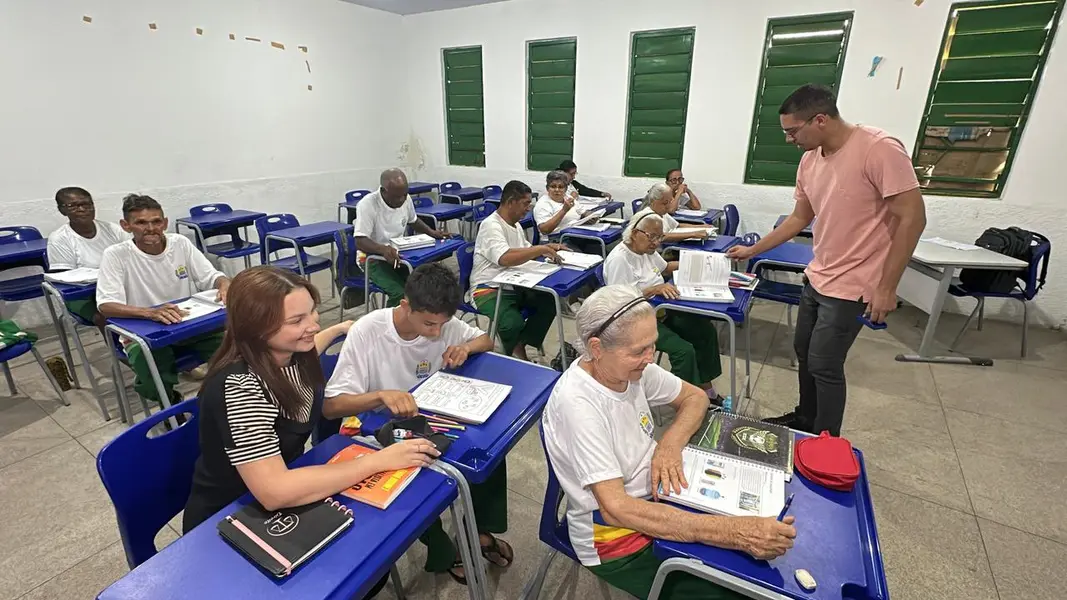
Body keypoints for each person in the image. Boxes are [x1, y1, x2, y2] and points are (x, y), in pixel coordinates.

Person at [184, 267, 438, 598]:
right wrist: (380, 461)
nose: (312, 325)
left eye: (313, 312)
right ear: (256, 327)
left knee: (370, 567)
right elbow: (274, 491)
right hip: (232, 516)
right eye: (297, 321)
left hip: (280, 492)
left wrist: (338, 329)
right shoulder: (242, 386)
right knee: (356, 573)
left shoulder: (290, 353)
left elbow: (311, 342)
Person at [542, 285, 796, 599]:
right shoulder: (578, 405)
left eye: (652, 346)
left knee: (755, 558)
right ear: (596, 348)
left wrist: (669, 444)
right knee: (740, 588)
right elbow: (616, 510)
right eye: (639, 351)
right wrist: (732, 533)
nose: (650, 359)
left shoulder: (629, 370)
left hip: (657, 496)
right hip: (613, 538)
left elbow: (696, 397)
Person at [727, 84, 926, 436]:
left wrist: (887, 287)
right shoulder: (810, 160)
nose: (789, 139)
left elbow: (912, 218)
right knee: (805, 352)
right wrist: (752, 251)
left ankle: (826, 442)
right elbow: (798, 218)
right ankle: (806, 421)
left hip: (854, 285)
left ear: (819, 120)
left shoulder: (878, 149)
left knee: (825, 364)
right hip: (818, 276)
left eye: (792, 131)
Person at [323, 263, 509, 584]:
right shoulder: (368, 331)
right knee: (419, 475)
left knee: (489, 450)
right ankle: (441, 550)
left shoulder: (442, 322)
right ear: (405, 306)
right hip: (373, 423)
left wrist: (464, 347)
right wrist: (380, 396)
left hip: (429, 415)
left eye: (443, 324)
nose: (437, 332)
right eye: (429, 324)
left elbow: (485, 340)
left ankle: (477, 528)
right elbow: (331, 406)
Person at [96, 194, 230, 407]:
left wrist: (224, 283)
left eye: (156, 221)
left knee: (235, 348)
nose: (150, 228)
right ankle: (169, 404)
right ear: (126, 226)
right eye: (141, 222)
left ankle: (230, 397)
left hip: (188, 325)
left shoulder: (180, 243)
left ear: (165, 222)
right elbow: (106, 305)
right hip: (145, 332)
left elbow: (211, 276)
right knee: (152, 370)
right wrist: (149, 312)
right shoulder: (116, 255)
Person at [605, 212, 723, 403]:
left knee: (705, 331)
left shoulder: (647, 251)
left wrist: (701, 264)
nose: (656, 243)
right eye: (652, 237)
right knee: (683, 351)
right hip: (633, 321)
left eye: (660, 237)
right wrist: (653, 289)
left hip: (661, 310)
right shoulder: (620, 259)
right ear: (635, 233)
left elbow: (666, 267)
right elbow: (619, 302)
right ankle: (683, 401)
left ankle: (706, 389)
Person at [470, 180, 564, 361]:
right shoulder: (491, 225)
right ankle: (516, 350)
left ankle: (520, 342)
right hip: (488, 287)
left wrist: (549, 247)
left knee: (550, 301)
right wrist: (540, 249)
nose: (528, 208)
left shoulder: (516, 225)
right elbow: (504, 258)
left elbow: (525, 250)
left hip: (514, 282)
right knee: (511, 323)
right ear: (511, 201)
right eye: (525, 203)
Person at [354, 168, 451, 307]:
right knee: (399, 293)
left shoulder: (406, 199)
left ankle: (415, 323)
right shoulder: (368, 205)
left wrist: (432, 232)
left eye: (404, 195)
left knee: (422, 287)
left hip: (398, 254)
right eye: (396, 196)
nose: (401, 200)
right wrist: (382, 249)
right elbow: (360, 241)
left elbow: (413, 220)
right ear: (383, 190)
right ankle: (390, 325)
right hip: (371, 258)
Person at [46, 187, 128, 329]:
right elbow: (64, 281)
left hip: (117, 286)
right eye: (73, 206)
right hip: (82, 296)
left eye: (86, 204)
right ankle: (118, 350)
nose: (82, 209)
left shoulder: (112, 229)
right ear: (62, 210)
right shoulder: (60, 239)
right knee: (105, 316)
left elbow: (133, 256)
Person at [634, 182, 708, 245]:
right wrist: (694, 234)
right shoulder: (648, 216)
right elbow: (662, 236)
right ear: (654, 201)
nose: (668, 206)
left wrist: (702, 227)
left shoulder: (662, 212)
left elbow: (677, 225)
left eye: (670, 202)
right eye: (665, 203)